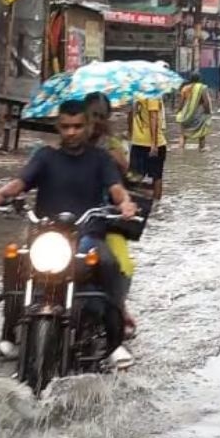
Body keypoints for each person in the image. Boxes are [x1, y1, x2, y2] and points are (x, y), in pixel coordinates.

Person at [0, 99, 138, 365]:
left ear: (88, 126)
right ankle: (9, 335)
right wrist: (0, 194)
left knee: (108, 263)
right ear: (58, 127)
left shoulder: (101, 159)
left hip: (87, 236)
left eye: (77, 126)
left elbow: (116, 189)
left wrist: (125, 203)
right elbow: (20, 183)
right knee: (14, 258)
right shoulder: (45, 156)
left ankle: (114, 341)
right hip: (46, 236)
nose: (71, 132)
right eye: (66, 126)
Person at [84, 92, 141, 340]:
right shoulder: (71, 141)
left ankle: (118, 310)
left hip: (106, 217)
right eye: (92, 115)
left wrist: (118, 161)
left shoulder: (112, 147)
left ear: (107, 119)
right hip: (71, 219)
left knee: (119, 264)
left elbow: (129, 177)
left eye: (101, 116)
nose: (96, 121)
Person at [129, 94, 168, 201]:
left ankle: (138, 203)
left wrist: (131, 134)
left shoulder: (136, 94)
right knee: (157, 177)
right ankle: (156, 205)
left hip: (137, 141)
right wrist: (154, 144)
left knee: (135, 177)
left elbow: (131, 114)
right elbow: (153, 117)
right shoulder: (153, 94)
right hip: (152, 143)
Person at [175, 72, 214, 150]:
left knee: (183, 135)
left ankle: (180, 151)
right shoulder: (202, 88)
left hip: (186, 115)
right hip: (199, 115)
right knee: (201, 135)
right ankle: (201, 150)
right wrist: (208, 112)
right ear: (199, 79)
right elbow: (206, 102)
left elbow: (181, 103)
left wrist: (178, 112)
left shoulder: (185, 88)